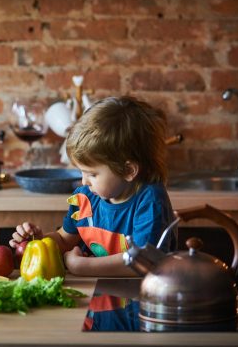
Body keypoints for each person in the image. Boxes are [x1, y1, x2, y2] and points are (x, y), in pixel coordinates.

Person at [10, 96, 177, 276]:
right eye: (81, 172)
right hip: (96, 292)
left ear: (128, 170)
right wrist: (37, 240)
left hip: (141, 296)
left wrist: (81, 266)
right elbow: (64, 240)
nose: (84, 182)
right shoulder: (85, 198)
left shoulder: (150, 200)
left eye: (92, 174)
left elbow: (145, 261)